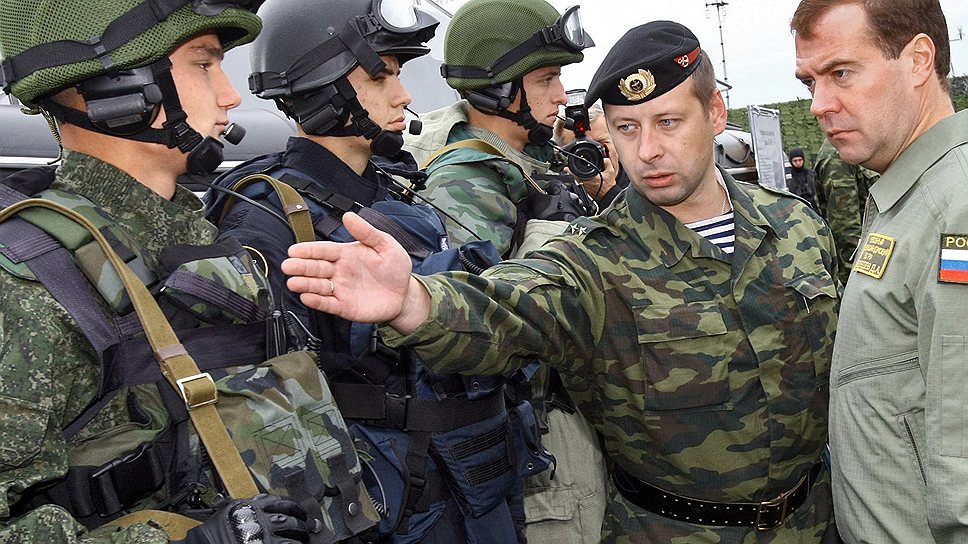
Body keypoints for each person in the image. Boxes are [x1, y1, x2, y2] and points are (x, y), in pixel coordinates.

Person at [283, 20, 841, 543]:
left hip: (820, 518)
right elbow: (509, 304)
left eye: (668, 122)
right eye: (626, 128)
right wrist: (415, 301)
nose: (647, 151)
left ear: (715, 113)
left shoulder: (797, 226)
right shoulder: (593, 260)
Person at [0, 0, 378, 543]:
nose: (231, 95)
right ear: (122, 91)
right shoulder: (32, 284)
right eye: (204, 65)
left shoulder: (190, 233)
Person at [204, 0, 548, 542]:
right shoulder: (268, 223)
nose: (403, 95)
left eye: (399, 74)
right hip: (395, 509)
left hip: (477, 482)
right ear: (322, 88)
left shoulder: (397, 191)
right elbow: (267, 418)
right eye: (380, 76)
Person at [402, 1, 607, 542]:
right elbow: (470, 323)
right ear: (498, 88)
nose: (561, 95)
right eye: (546, 79)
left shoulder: (526, 164)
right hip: (538, 434)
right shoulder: (469, 181)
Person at [793, 0, 968, 541]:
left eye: (841, 73)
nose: (820, 104)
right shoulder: (913, 195)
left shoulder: (955, 207)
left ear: (918, 61)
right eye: (810, 82)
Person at [813, 138, 878, 285]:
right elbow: (845, 228)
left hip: (872, 253)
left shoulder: (855, 147)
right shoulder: (837, 158)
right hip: (859, 265)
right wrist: (861, 277)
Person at [554, 102, 631, 208]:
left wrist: (609, 193)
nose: (591, 152)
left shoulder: (643, 182)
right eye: (578, 148)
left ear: (617, 143)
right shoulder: (556, 194)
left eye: (600, 144)